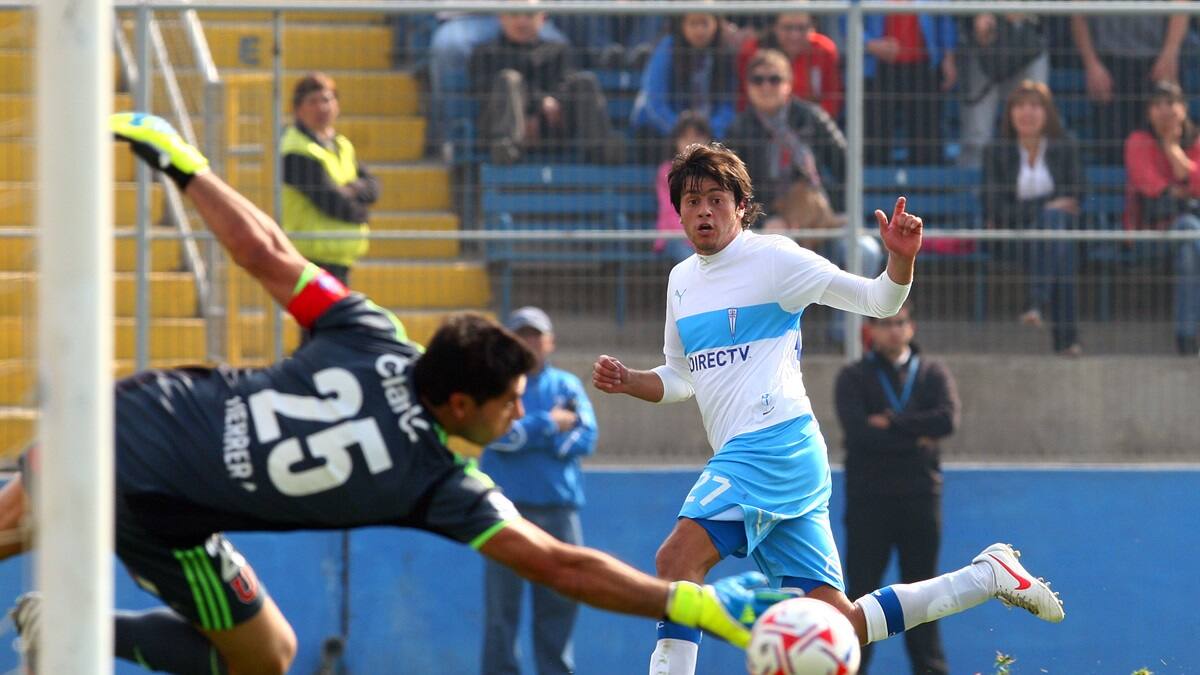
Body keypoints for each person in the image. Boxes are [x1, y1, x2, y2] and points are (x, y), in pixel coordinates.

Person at [0, 113, 798, 675]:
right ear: (462, 406)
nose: (518, 412)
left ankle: (65, 624)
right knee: (251, 650)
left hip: (146, 417)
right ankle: (67, 627)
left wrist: (185, 165)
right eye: (509, 401)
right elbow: (563, 565)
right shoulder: (438, 482)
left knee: (263, 649)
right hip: (149, 489)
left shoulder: (373, 332)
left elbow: (264, 251)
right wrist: (694, 605)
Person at [591, 142, 1064, 675]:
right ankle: (988, 576)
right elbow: (682, 377)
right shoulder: (680, 281)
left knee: (676, 559)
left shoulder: (775, 259)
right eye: (693, 201)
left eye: (717, 199)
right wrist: (632, 381)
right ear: (677, 211)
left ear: (741, 207)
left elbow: (878, 301)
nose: (704, 211)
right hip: (774, 460)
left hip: (773, 443)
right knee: (839, 622)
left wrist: (900, 260)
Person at [835, 302, 960, 675]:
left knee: (924, 596)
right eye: (885, 323)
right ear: (870, 331)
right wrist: (916, 435)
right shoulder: (853, 377)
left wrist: (890, 423)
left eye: (900, 322)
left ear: (911, 327)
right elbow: (858, 433)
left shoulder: (933, 373)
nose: (893, 330)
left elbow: (947, 421)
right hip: (869, 504)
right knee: (860, 599)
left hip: (921, 500)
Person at [726, 48, 882, 342]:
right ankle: (784, 338)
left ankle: (845, 334)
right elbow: (733, 190)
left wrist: (833, 209)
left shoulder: (812, 118)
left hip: (822, 216)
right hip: (773, 219)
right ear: (748, 86)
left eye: (774, 79)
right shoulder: (738, 130)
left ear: (789, 84)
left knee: (866, 250)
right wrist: (767, 219)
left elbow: (848, 169)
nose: (766, 86)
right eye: (758, 80)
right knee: (776, 248)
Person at [480, 306, 598, 675]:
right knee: (501, 611)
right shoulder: (493, 384)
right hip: (504, 514)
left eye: (536, 335)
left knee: (561, 605)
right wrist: (550, 424)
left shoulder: (566, 385)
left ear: (550, 342)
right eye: (522, 336)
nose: (529, 343)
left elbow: (586, 436)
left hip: (558, 512)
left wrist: (536, 437)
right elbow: (501, 437)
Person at [982, 80, 1084, 355]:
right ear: (1010, 113)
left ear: (1048, 112)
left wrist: (1040, 210)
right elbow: (994, 207)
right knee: (1057, 236)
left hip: (1059, 235)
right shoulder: (996, 150)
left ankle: (1036, 301)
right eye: (1020, 106)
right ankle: (1067, 341)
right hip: (1014, 239)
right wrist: (1046, 206)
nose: (1027, 113)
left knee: (1055, 232)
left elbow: (1077, 194)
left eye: (1035, 106)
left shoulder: (1066, 146)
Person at [469, 10, 621, 164]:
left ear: (542, 17)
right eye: (514, 14)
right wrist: (538, 104)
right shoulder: (485, 54)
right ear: (501, 17)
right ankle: (506, 148)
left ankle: (603, 149)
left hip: (551, 127)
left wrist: (546, 106)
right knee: (509, 79)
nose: (522, 21)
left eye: (529, 15)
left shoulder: (558, 50)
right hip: (503, 129)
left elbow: (566, 82)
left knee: (585, 81)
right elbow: (486, 90)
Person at [1123, 80, 1200, 356]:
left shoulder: (1197, 140)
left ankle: (1186, 337)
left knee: (1189, 251)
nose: (1165, 110)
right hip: (1151, 234)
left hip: (1190, 240)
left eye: (1171, 103)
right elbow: (1151, 186)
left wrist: (1172, 148)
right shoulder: (1138, 141)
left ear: (1184, 108)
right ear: (1148, 111)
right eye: (1157, 105)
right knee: (1189, 228)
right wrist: (1184, 187)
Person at [281, 72, 378, 286]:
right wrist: (362, 212)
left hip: (340, 259)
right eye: (312, 102)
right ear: (298, 109)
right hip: (310, 260)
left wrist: (349, 191)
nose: (321, 108)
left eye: (327, 100)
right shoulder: (295, 150)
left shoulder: (341, 145)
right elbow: (331, 202)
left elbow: (373, 187)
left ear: (337, 105)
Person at [1070, 12, 1189, 163]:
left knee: (1164, 147)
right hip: (1109, 63)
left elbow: (1181, 7)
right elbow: (1078, 12)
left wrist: (1169, 54)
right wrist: (1091, 64)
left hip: (1157, 61)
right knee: (1112, 150)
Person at [860, 8, 957, 165]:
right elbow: (848, 20)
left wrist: (949, 57)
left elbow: (945, 20)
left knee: (926, 138)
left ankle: (925, 178)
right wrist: (869, 43)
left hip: (923, 66)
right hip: (878, 67)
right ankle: (874, 179)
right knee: (875, 136)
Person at [956, 13, 1049, 168]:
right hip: (980, 43)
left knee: (1031, 129)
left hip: (1029, 43)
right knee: (977, 136)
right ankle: (972, 180)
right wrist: (977, 15)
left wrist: (1024, 11)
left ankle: (1029, 180)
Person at [631, 13, 738, 146]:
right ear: (682, 25)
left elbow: (728, 104)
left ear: (716, 24)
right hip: (666, 130)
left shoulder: (724, 52)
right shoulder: (667, 48)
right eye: (693, 24)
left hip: (710, 132)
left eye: (704, 23)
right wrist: (681, 132)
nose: (699, 30)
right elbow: (655, 101)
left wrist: (710, 131)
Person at [735, 11, 843, 119]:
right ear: (774, 27)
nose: (794, 35)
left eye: (802, 28)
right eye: (787, 28)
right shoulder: (753, 50)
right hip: (762, 122)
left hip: (812, 123)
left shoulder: (824, 49)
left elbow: (833, 99)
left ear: (813, 27)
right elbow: (744, 100)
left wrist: (811, 121)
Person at [655, 112, 710, 263]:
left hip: (706, 233)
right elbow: (670, 211)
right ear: (676, 141)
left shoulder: (715, 172)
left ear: (707, 140)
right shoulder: (667, 172)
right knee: (694, 261)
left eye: (697, 137)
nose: (691, 143)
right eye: (685, 137)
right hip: (674, 236)